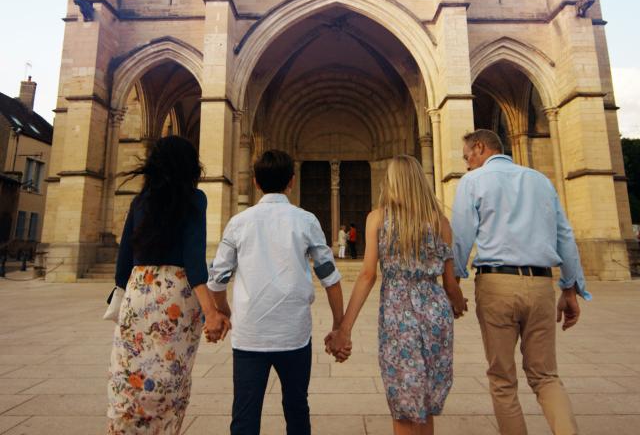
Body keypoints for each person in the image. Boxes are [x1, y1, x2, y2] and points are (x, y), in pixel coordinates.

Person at [451, 129, 590, 435]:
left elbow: (461, 237)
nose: (466, 165)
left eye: (466, 158)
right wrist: (569, 288)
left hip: (496, 284)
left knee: (503, 380)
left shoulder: (473, 182)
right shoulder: (539, 180)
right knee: (546, 376)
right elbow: (564, 235)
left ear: (479, 147)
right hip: (541, 285)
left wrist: (455, 283)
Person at [326, 155, 467, 435]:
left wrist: (344, 328)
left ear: (391, 182)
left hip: (397, 315)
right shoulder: (440, 222)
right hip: (436, 315)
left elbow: (368, 275)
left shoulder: (378, 218)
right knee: (424, 401)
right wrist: (459, 303)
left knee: (403, 401)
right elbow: (450, 283)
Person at [208, 149, 344, 435]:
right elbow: (330, 278)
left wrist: (224, 312)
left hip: (249, 336)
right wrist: (338, 327)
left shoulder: (238, 222)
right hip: (293, 334)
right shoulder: (305, 220)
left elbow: (217, 280)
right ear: (291, 182)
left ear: (255, 182)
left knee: (245, 413)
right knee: (297, 408)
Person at [107, 136, 230, 434]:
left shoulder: (139, 201)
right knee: (170, 378)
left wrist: (129, 295)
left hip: (138, 288)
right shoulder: (195, 198)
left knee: (129, 374)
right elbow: (194, 260)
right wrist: (211, 312)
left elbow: (123, 264)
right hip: (175, 295)